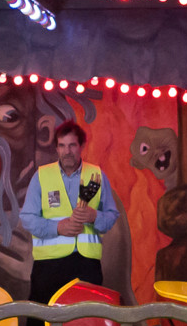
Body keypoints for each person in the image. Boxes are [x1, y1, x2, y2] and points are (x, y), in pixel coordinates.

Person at [21, 121, 120, 302]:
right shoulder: (41, 176)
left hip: (87, 266)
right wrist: (57, 227)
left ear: (81, 146)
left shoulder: (97, 175)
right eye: (62, 146)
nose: (67, 151)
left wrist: (94, 216)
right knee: (42, 323)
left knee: (86, 322)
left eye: (72, 145)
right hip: (48, 266)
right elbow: (27, 218)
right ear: (57, 149)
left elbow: (112, 215)